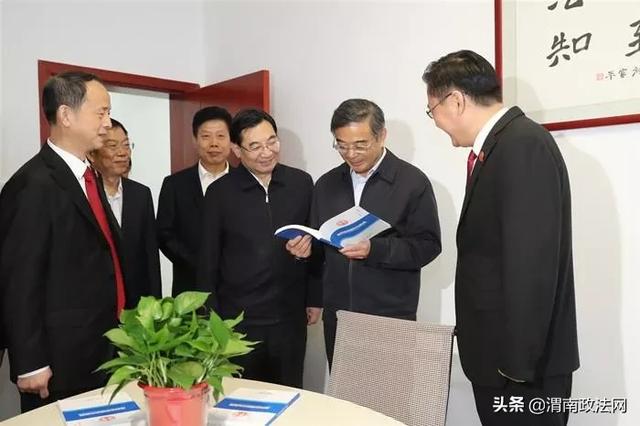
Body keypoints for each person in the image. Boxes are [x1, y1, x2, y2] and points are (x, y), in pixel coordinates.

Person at [422, 50, 579, 426]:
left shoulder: (521, 145)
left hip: (520, 372)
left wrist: (517, 368)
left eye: (432, 111)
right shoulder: (501, 147)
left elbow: (531, 262)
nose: (436, 122)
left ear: (455, 101)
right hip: (501, 362)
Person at [0, 71, 123, 412]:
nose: (108, 123)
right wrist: (30, 361)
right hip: (59, 361)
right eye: (101, 112)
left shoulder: (88, 175)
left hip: (101, 349)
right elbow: (18, 279)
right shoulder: (32, 185)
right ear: (66, 115)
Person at [288, 98, 441, 367]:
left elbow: (428, 245)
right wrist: (303, 252)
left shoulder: (411, 182)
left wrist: (375, 249)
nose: (351, 154)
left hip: (389, 318)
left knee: (389, 392)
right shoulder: (326, 185)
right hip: (339, 318)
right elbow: (320, 249)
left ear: (381, 136)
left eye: (360, 145)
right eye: (341, 145)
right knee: (344, 391)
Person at [198, 108, 321, 387]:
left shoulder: (301, 183)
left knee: (289, 393)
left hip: (289, 316)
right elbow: (208, 261)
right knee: (242, 396)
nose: (267, 152)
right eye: (255, 146)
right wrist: (212, 319)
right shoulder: (220, 193)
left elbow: (314, 241)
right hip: (239, 320)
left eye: (272, 141)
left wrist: (315, 296)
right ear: (237, 150)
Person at [157, 106, 232, 296]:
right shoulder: (175, 184)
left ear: (231, 140)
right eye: (206, 136)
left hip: (237, 286)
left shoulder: (244, 182)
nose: (214, 143)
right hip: (189, 286)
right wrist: (198, 263)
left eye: (221, 136)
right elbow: (165, 234)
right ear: (194, 140)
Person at [88, 118, 162, 307]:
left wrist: (155, 305)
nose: (122, 153)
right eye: (112, 146)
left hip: (137, 304)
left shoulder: (141, 194)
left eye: (126, 145)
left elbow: (150, 257)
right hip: (97, 302)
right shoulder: (85, 195)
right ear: (91, 154)